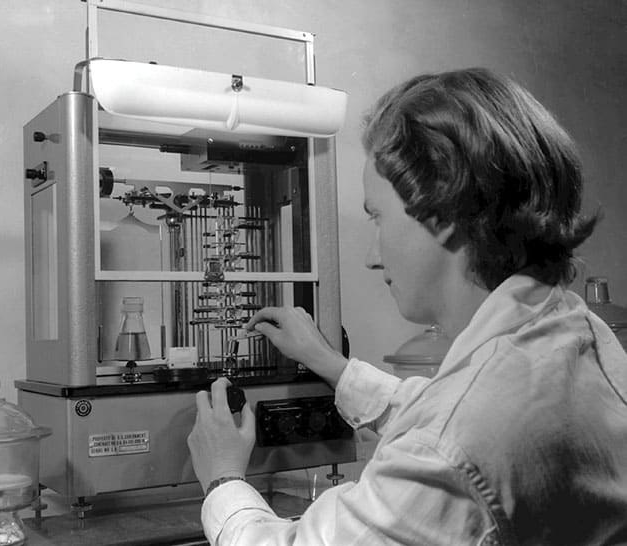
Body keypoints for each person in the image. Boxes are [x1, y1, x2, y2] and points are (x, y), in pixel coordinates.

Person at [187, 68, 627, 545]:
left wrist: (222, 478)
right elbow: (446, 410)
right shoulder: (575, 330)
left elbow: (449, 438)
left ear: (442, 212)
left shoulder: (451, 446)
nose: (372, 256)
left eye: (377, 217)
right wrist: (332, 365)